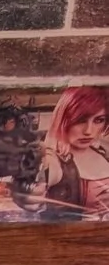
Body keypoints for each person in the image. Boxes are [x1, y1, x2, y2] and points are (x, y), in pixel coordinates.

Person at [38, 86, 109, 218]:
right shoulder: (55, 160)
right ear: (62, 118)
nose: (88, 131)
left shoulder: (103, 153)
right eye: (80, 120)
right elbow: (39, 176)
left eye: (98, 120)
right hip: (72, 236)